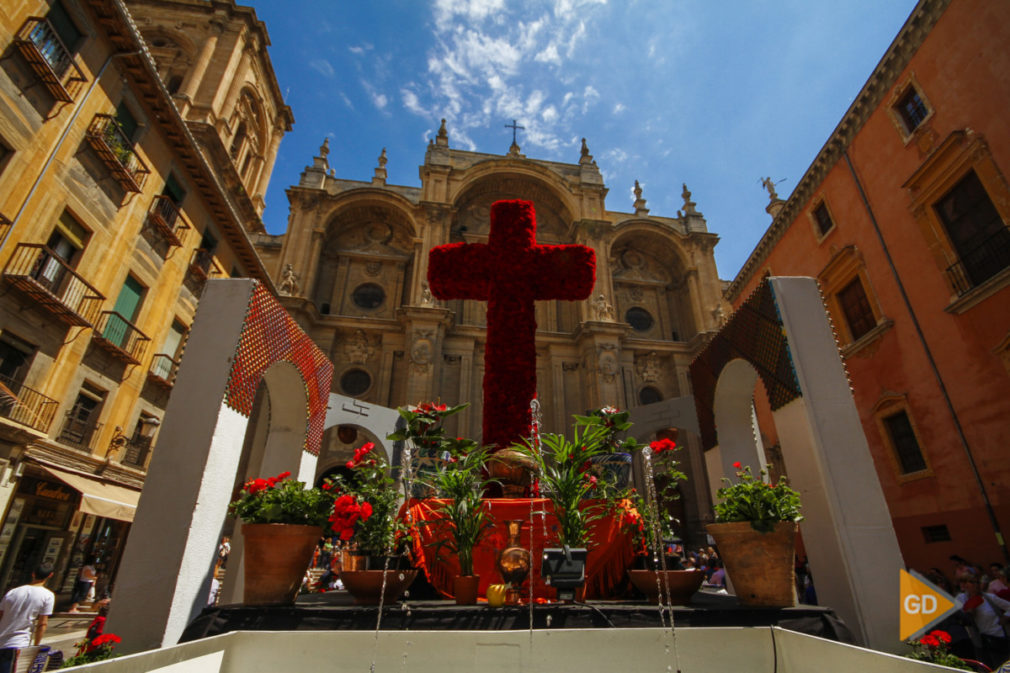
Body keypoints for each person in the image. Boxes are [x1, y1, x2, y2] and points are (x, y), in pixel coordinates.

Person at [0, 561, 55, 673]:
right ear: (50, 575)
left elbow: (1, 615)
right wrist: (36, 646)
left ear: (33, 574)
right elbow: (42, 623)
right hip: (18, 643)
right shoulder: (48, 596)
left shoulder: (13, 592)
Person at [957, 572, 1010, 668]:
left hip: (997, 637)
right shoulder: (961, 599)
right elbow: (960, 617)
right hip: (980, 641)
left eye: (977, 582)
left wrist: (1005, 617)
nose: (976, 585)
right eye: (972, 582)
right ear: (965, 585)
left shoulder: (989, 597)